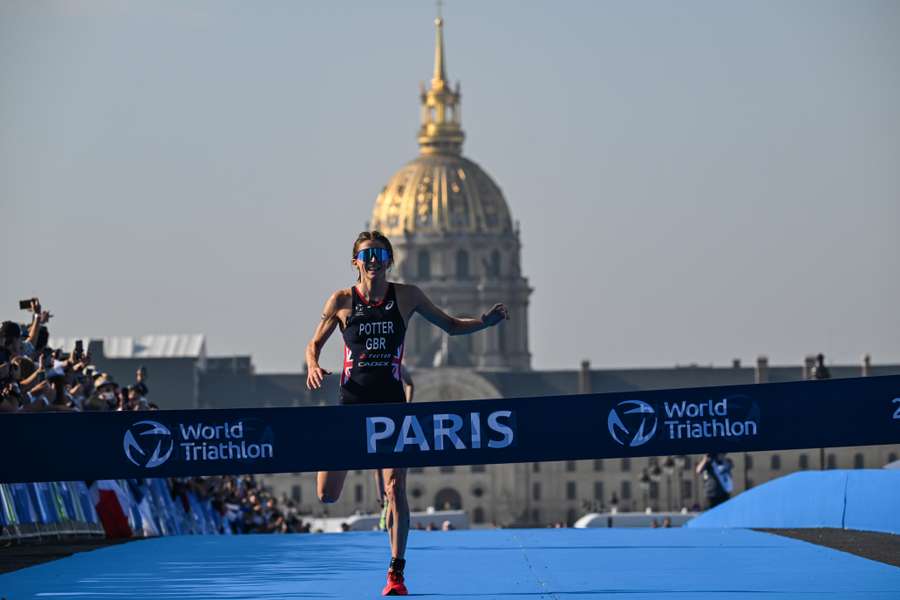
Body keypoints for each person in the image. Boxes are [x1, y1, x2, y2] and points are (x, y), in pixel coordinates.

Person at [305, 230, 509, 596]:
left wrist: (483, 322)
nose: (373, 261)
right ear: (356, 262)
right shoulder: (340, 300)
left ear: (389, 261)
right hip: (351, 404)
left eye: (380, 254)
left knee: (395, 485)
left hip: (391, 405)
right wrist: (313, 365)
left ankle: (396, 572)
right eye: (366, 255)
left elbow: (448, 325)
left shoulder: (407, 295)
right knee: (327, 495)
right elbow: (313, 343)